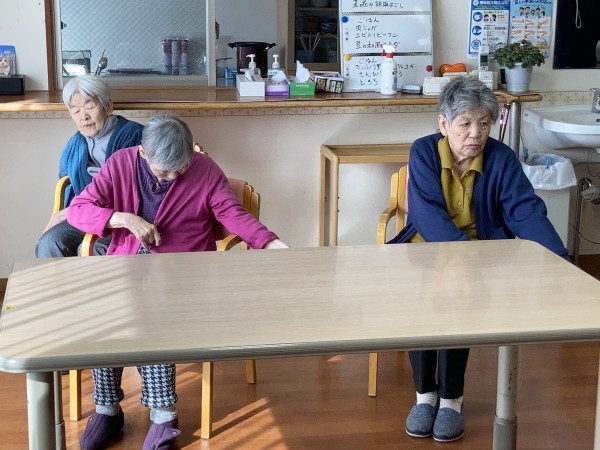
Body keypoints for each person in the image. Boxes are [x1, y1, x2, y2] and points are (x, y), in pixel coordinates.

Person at [68, 114, 288, 450]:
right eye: (164, 171)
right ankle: (108, 409)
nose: (174, 177)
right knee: (104, 314)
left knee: (149, 318)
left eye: (181, 168)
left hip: (185, 275)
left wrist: (269, 242)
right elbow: (78, 209)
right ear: (143, 153)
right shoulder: (121, 163)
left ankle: (163, 417)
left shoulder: (205, 169)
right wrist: (123, 219)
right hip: (127, 267)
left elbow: (232, 213)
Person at [389, 76, 568, 443]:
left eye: (484, 123)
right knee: (419, 301)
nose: (476, 133)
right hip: (427, 246)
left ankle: (451, 400)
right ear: (443, 124)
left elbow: (525, 211)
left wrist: (560, 260)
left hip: (480, 250)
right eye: (465, 123)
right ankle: (425, 395)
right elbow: (426, 215)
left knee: (460, 299)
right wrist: (461, 258)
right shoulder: (423, 152)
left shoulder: (501, 158)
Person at [35, 75, 143, 258]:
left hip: (123, 217)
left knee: (92, 249)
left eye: (90, 106)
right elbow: (67, 186)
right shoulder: (74, 145)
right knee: (49, 242)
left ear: (108, 106)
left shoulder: (133, 136)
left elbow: (134, 190)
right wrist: (71, 211)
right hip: (84, 216)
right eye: (75, 110)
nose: (83, 116)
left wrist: (78, 211)